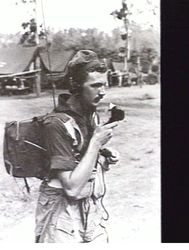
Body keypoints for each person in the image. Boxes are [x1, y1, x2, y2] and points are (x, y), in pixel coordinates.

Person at [35, 50, 120, 243]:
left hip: (92, 210)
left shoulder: (90, 115)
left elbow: (82, 156)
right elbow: (72, 189)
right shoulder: (55, 124)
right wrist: (96, 143)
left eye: (105, 84)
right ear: (76, 86)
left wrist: (104, 153)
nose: (103, 91)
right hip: (61, 216)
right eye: (96, 85)